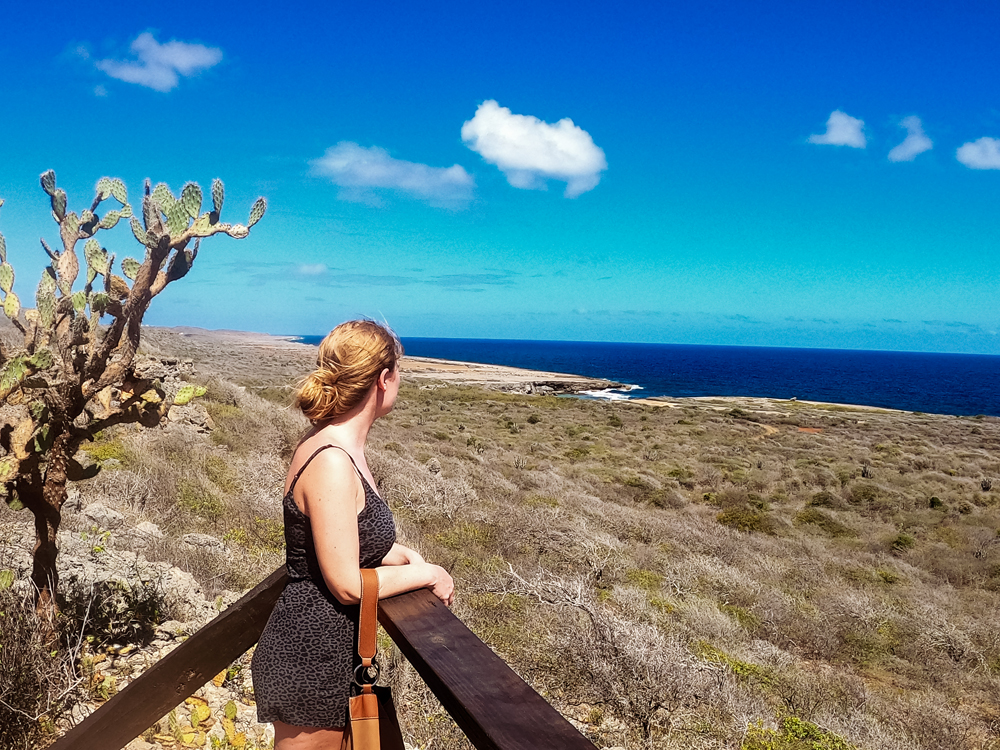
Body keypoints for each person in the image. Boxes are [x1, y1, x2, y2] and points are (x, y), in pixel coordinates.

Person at [251, 319, 454, 750]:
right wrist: (430, 574)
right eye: (399, 372)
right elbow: (344, 584)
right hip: (311, 657)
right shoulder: (332, 460)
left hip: (330, 651)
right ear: (384, 379)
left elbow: (348, 538)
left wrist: (402, 555)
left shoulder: (341, 447)